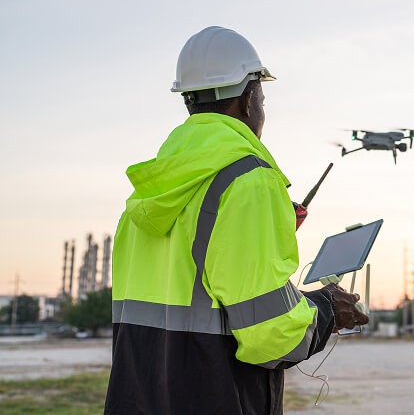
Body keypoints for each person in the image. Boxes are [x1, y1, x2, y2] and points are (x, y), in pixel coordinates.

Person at [105, 26, 368, 415]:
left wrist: (260, 233)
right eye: (261, 96)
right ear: (248, 100)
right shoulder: (249, 180)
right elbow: (271, 336)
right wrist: (328, 306)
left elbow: (191, 280)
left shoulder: (149, 191)